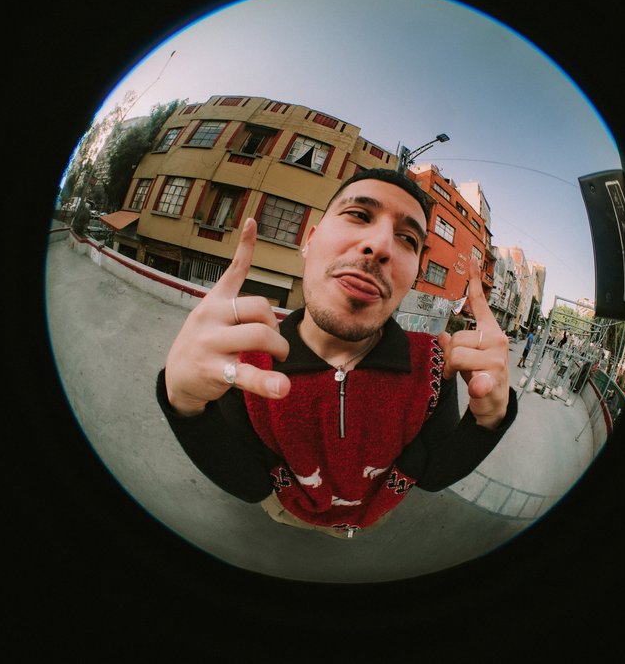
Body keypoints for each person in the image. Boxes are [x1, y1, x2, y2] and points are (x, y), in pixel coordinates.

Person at [157, 168, 517, 539]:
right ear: (310, 241)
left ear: (414, 274)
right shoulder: (246, 362)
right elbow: (251, 485)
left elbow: (432, 475)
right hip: (287, 512)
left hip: (373, 517)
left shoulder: (434, 364)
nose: (380, 246)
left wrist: (487, 421)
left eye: (407, 239)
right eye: (358, 215)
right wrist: (187, 408)